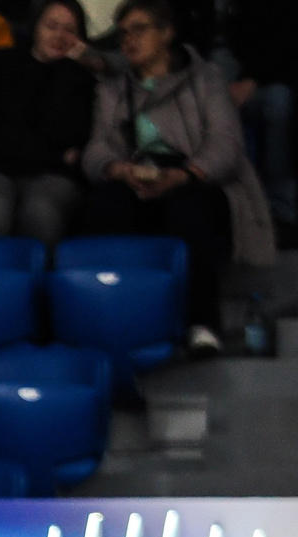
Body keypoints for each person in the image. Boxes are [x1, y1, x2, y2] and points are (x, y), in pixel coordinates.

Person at [81, 0, 273, 354]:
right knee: (104, 206)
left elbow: (226, 144)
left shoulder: (205, 78)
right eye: (123, 33)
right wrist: (119, 169)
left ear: (166, 33)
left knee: (189, 211)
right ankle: (115, 317)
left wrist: (185, 174)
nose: (129, 40)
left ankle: (202, 323)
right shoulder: (112, 88)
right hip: (137, 179)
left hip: (195, 178)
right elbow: (96, 149)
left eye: (139, 30)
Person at [0, 0, 100, 245]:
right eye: (51, 26)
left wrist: (66, 69)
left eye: (69, 30)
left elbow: (66, 134)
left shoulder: (81, 80)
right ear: (35, 27)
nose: (59, 35)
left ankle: (40, 282)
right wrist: (54, 156)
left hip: (52, 178)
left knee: (41, 212)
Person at [222, 0, 296, 229]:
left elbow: (283, 44)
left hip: (254, 79)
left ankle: (280, 209)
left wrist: (253, 79)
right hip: (194, 82)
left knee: (279, 101)